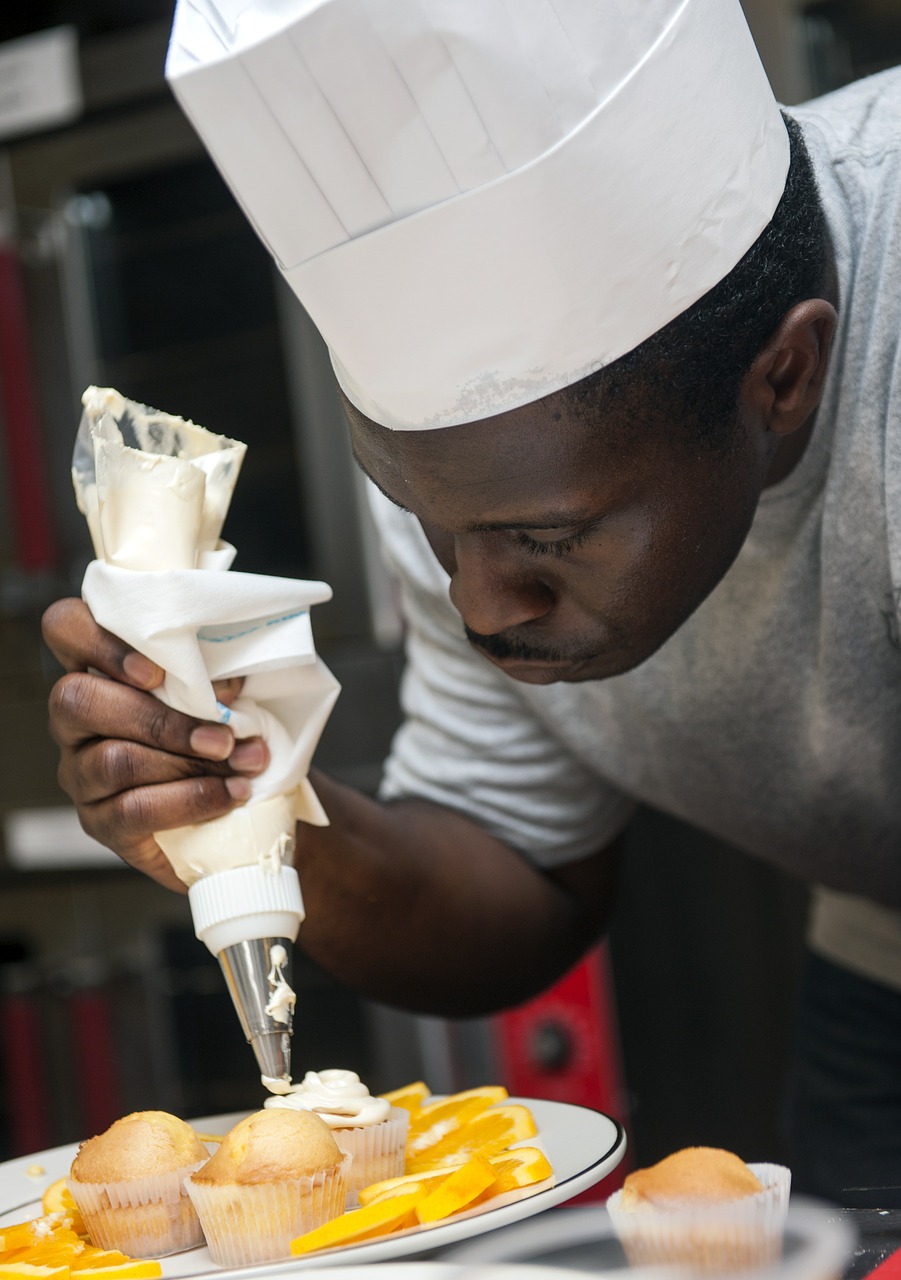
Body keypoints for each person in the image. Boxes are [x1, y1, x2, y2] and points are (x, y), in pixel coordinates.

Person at [42, 0, 901, 1200]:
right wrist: (242, 798)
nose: (483, 604)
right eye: (427, 522)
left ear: (787, 377)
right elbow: (516, 876)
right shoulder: (481, 485)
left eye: (542, 537)